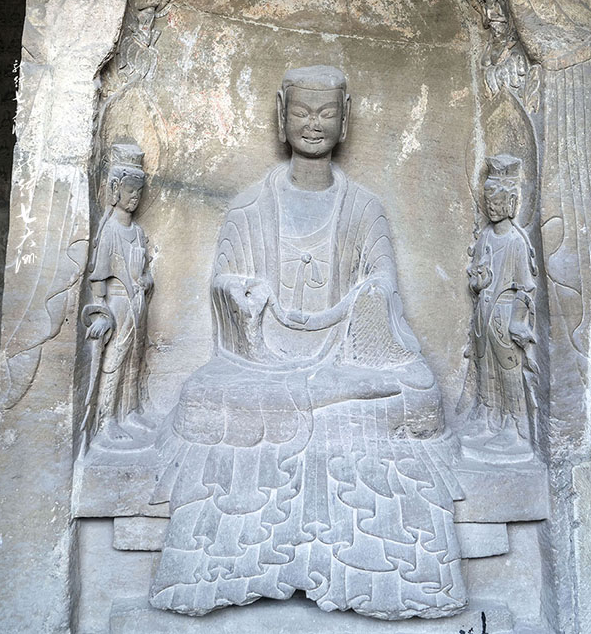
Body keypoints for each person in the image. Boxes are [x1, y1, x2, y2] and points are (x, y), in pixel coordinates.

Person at [149, 66, 466, 620]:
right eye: (301, 111)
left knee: (416, 393)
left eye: (325, 112)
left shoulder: (364, 209)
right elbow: (224, 279)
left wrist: (363, 302)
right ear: (280, 114)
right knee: (203, 401)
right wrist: (238, 295)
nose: (313, 124)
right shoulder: (249, 207)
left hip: (344, 356)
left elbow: (383, 291)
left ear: (344, 119)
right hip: (262, 360)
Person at [459, 154, 538, 455]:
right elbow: (475, 276)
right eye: (487, 200)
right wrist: (478, 281)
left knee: (508, 369)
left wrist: (517, 321)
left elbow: (526, 289)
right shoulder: (486, 237)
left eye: (498, 200)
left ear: (511, 203)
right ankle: (487, 415)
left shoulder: (517, 243)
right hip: (483, 312)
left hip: (505, 313)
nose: (491, 206)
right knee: (484, 366)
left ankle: (514, 426)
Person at [82, 143, 153, 440]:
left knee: (136, 358)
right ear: (115, 190)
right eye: (129, 189)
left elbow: (146, 275)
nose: (134, 196)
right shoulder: (110, 231)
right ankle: (107, 418)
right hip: (118, 304)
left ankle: (130, 411)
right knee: (115, 359)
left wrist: (145, 280)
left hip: (137, 303)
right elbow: (98, 277)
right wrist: (101, 311)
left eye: (139, 190)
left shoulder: (137, 232)